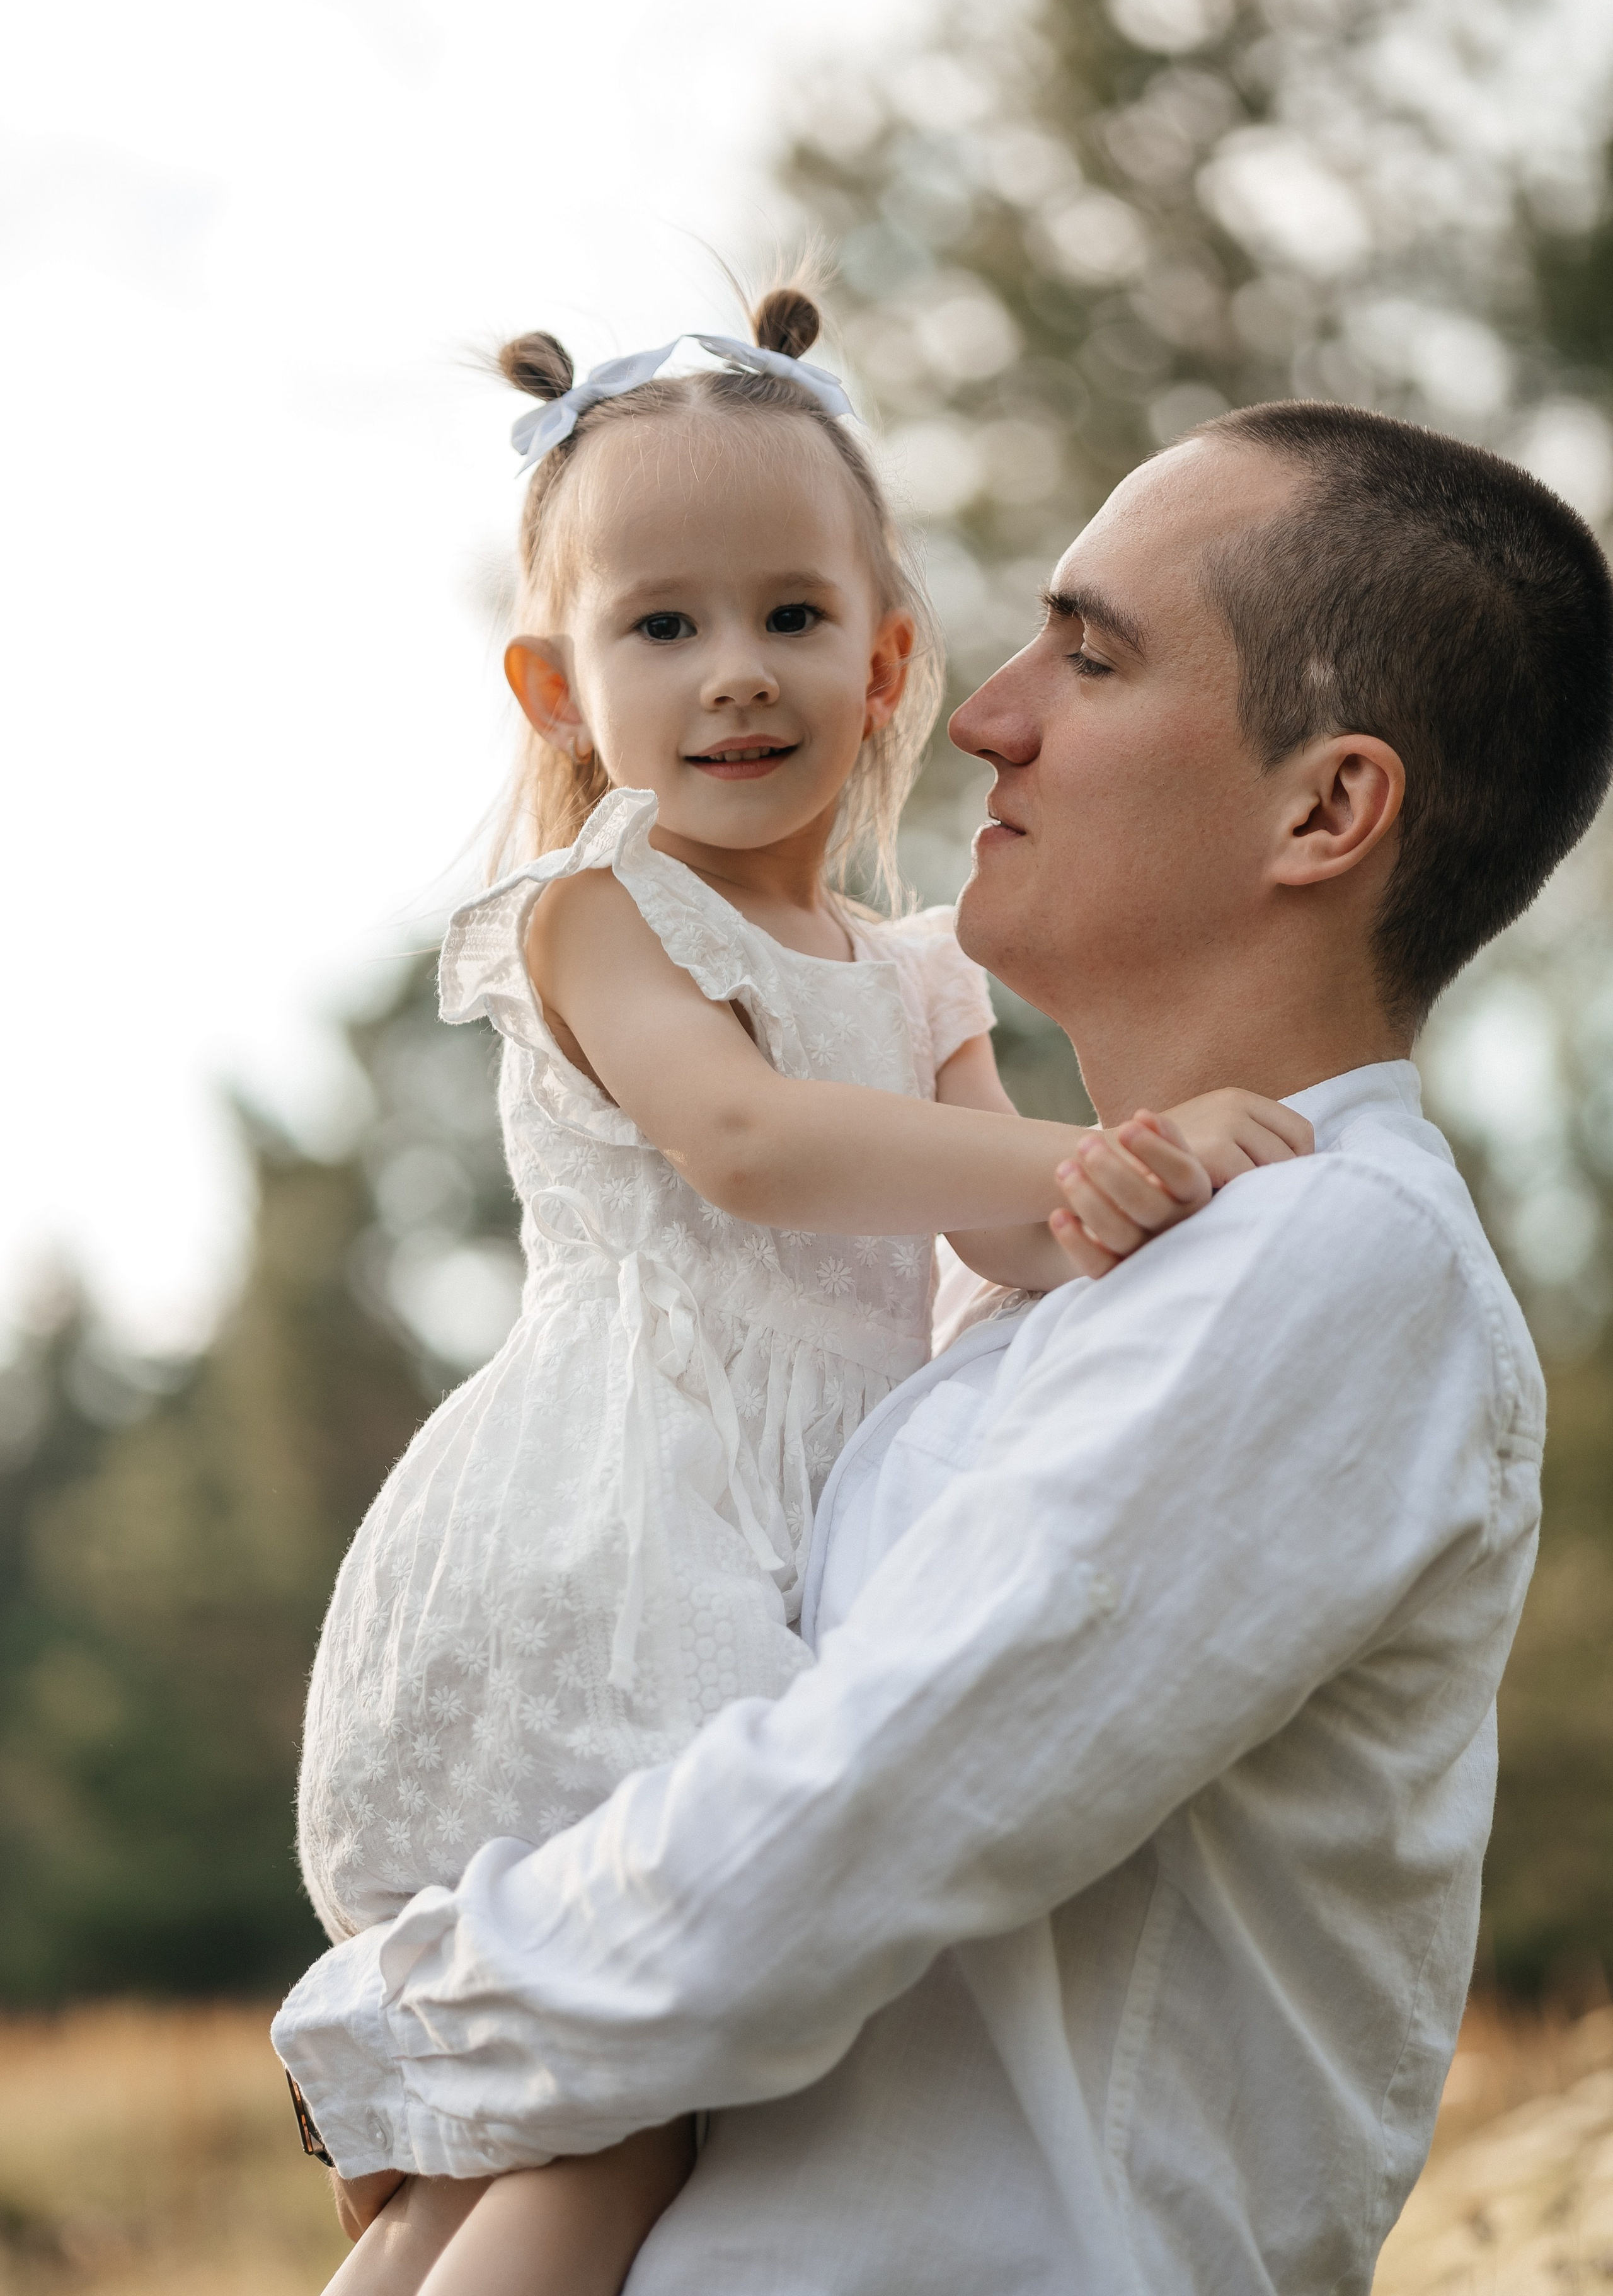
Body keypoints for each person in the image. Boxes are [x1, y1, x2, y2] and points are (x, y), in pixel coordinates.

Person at [273, 287, 1305, 2296]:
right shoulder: (598, 913)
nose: (735, 675)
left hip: (775, 1537)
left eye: (791, 618)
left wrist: (1147, 1178)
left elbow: (999, 1231)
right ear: (554, 690)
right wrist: (1074, 1164)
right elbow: (743, 1142)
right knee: (630, 2100)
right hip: (612, 1533)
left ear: (884, 654)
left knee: (536, 2129)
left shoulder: (913, 966)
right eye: (662, 627)